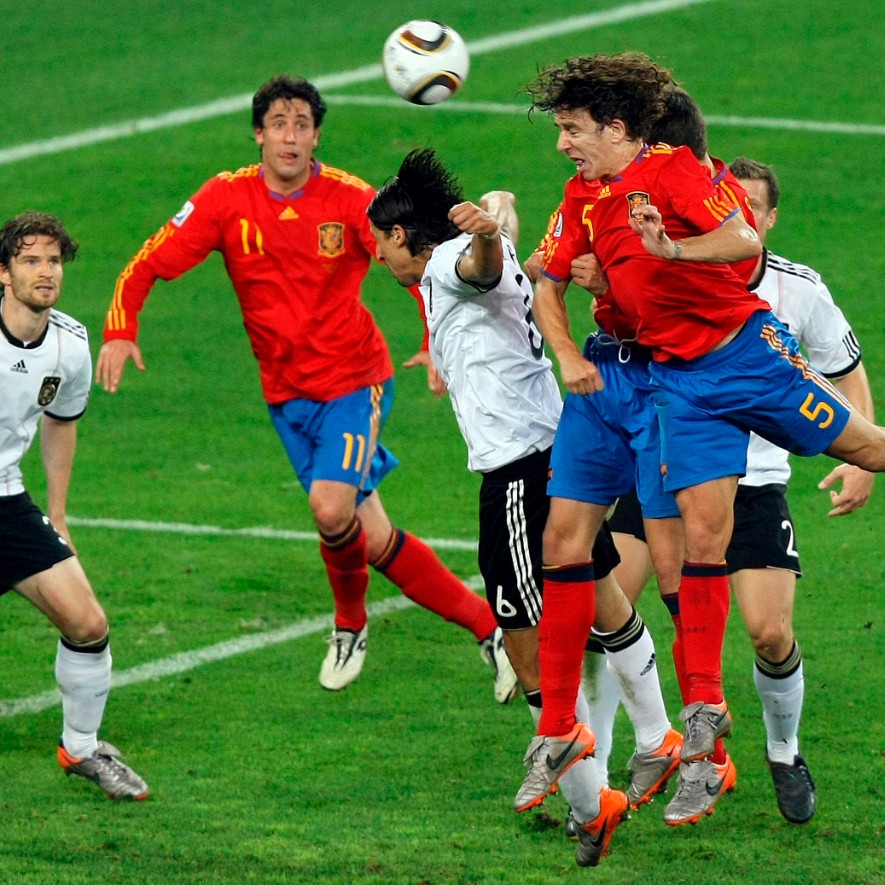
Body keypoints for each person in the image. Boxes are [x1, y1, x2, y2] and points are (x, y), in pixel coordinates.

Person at [518, 51, 885, 826]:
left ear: (615, 127)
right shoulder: (586, 194)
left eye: (573, 129)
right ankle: (697, 720)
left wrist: (672, 248)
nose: (562, 143)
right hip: (677, 384)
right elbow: (569, 277)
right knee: (695, 539)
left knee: (869, 450)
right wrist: (591, 301)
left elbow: (741, 240)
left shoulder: (675, 171)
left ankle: (689, 735)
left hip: (747, 362)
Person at [94, 74, 516, 701]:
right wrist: (119, 330)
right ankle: (492, 631)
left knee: (329, 509)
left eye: (302, 125)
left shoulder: (351, 199)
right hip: (286, 395)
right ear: (258, 135)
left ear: (317, 136)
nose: (290, 137)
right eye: (278, 124)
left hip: (354, 380)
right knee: (370, 537)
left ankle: (349, 625)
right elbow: (148, 261)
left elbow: (418, 263)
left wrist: (434, 343)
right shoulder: (224, 198)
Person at [367, 147, 684, 866]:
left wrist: (485, 234)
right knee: (600, 596)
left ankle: (584, 790)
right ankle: (657, 735)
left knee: (518, 629)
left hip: (518, 469)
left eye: (378, 242)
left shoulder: (448, 265)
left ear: (399, 236)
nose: (377, 256)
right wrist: (495, 220)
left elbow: (477, 267)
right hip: (558, 450)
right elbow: (494, 247)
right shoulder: (475, 254)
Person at [608, 157, 875, 825]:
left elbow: (845, 368)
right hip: (670, 472)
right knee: (602, 605)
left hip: (754, 486)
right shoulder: (671, 270)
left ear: (769, 219)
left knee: (769, 632)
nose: (739, 215)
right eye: (729, 202)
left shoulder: (798, 289)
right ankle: (620, 758)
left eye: (752, 207)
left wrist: (862, 462)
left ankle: (783, 751)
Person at [0, 211, 149, 801]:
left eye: (54, 261)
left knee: (88, 624)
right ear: (4, 273)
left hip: (6, 500)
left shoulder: (69, 344)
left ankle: (81, 749)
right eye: (30, 260)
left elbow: (61, 422)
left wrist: (57, 515)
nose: (45, 272)